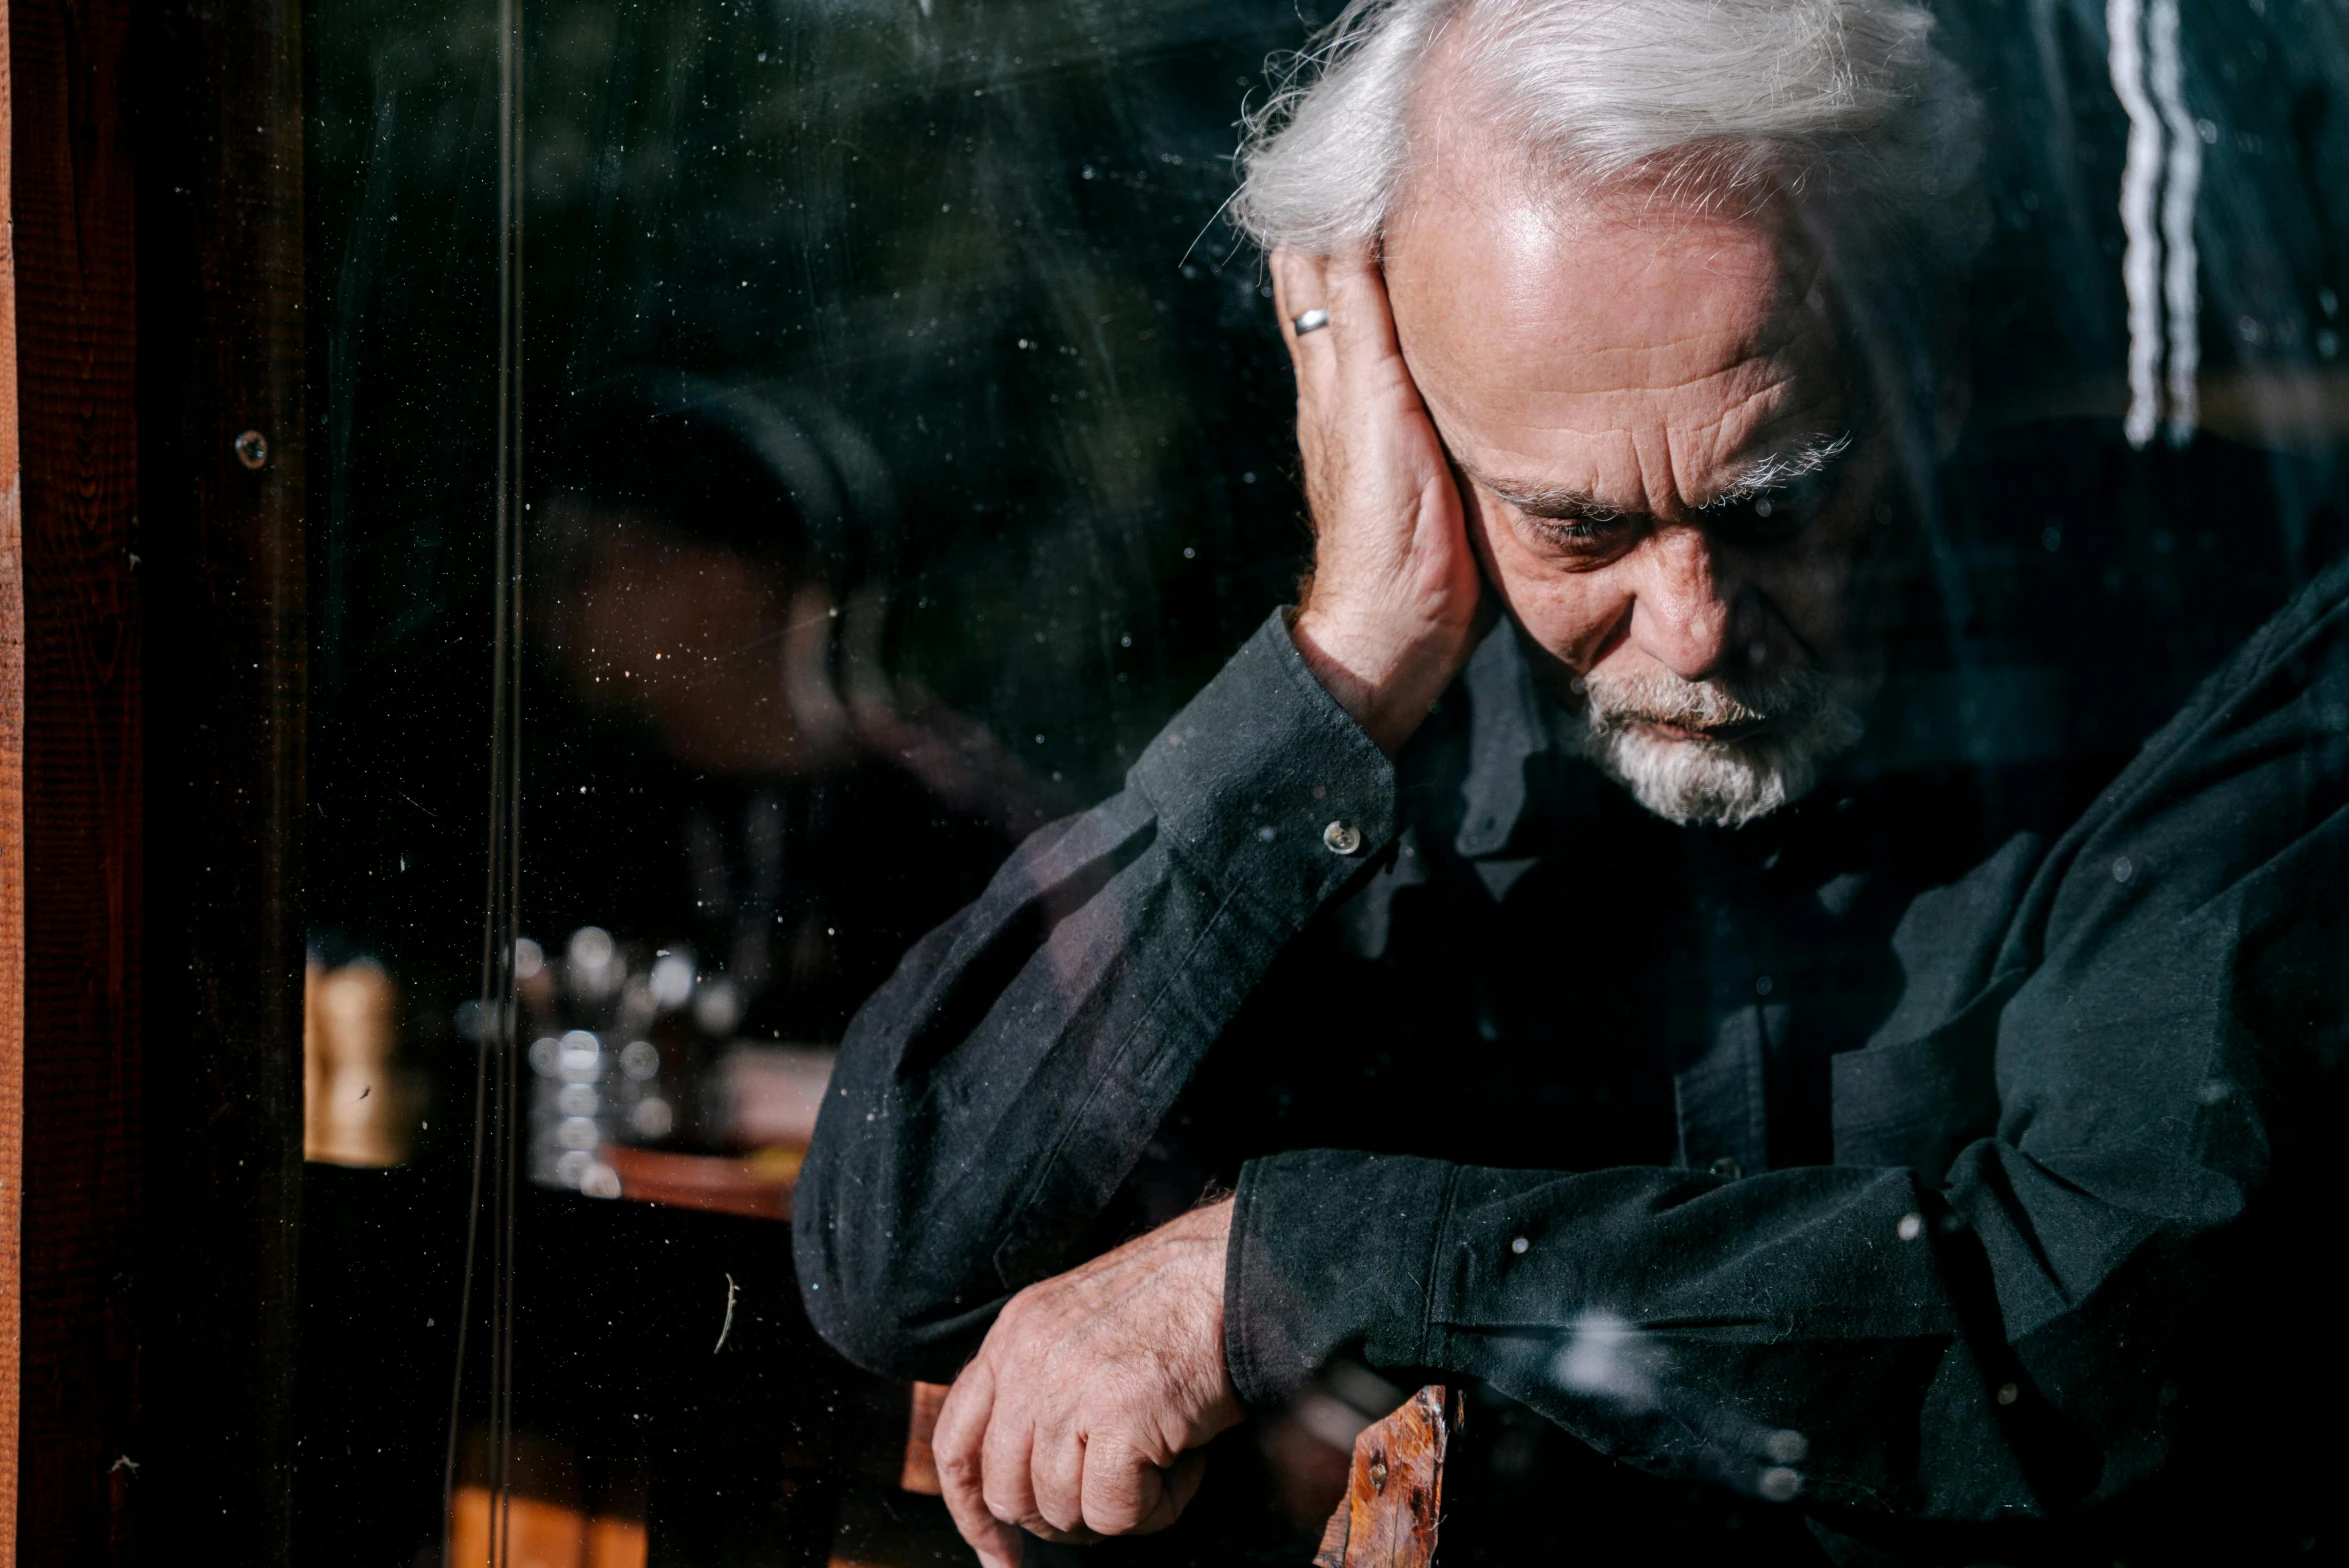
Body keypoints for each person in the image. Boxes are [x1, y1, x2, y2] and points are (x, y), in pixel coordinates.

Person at [794, 1, 2349, 1563]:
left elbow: (2078, 1339)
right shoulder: (1394, 721)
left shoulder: (2219, 652)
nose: (1691, 625)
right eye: (1577, 527)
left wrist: (1310, 1261)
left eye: (1775, 504)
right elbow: (895, 1257)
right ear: (1404, 411)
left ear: (1927, 364)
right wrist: (1341, 663)